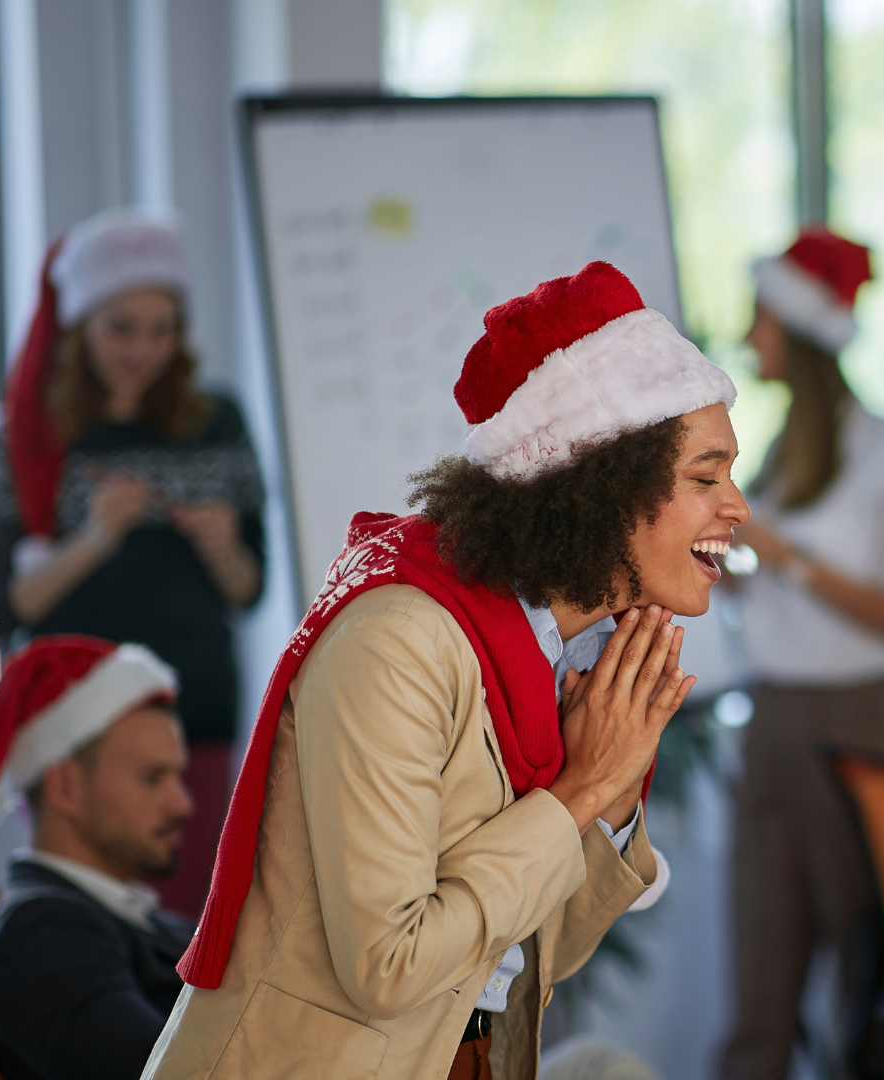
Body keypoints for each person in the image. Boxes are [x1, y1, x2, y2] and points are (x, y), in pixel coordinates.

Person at [145, 261, 745, 1080]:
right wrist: (579, 790)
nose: (738, 507)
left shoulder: (561, 655)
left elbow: (538, 953)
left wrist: (608, 787)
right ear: (598, 489)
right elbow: (390, 967)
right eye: (706, 477)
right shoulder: (398, 642)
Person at [0, 209, 266, 917]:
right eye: (121, 328)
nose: (143, 348)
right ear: (78, 328)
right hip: (73, 730)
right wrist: (93, 539)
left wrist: (223, 550)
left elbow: (250, 590)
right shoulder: (27, 440)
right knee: (79, 927)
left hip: (195, 718)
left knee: (183, 936)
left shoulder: (217, 424)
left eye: (162, 329)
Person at [719, 229, 884, 1080]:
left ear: (800, 333)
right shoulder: (776, 455)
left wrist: (789, 562)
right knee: (761, 969)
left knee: (868, 964)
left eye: (760, 321)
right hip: (773, 721)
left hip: (862, 723)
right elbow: (772, 589)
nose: (748, 339)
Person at [0, 635, 194, 1080]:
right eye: (152, 777)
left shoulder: (132, 920)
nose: (182, 804)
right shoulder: (40, 938)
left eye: (177, 776)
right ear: (65, 787)